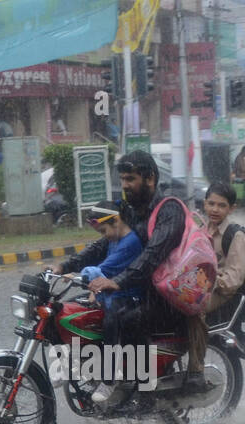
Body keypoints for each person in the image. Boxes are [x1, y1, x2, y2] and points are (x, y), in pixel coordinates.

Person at [49, 150, 191, 395]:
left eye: (130, 179)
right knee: (70, 309)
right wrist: (66, 266)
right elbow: (104, 242)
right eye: (123, 179)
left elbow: (152, 254)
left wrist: (117, 281)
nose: (125, 185)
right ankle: (80, 366)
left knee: (120, 317)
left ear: (150, 178)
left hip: (164, 296)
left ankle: (129, 383)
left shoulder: (169, 210)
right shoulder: (131, 209)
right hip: (138, 289)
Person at [76, 202, 144, 406]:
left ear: (116, 220)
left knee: (111, 321)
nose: (104, 235)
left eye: (104, 230)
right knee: (74, 310)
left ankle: (110, 378)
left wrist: (79, 276)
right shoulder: (114, 238)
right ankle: (75, 363)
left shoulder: (130, 242)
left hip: (130, 297)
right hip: (111, 292)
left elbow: (102, 270)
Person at [185, 183, 245, 387]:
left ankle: (196, 369)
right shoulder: (199, 230)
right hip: (196, 285)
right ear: (204, 204)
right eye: (211, 203)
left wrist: (211, 283)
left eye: (221, 205)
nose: (215, 209)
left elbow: (234, 277)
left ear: (231, 209)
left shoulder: (235, 235)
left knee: (193, 309)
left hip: (220, 291)